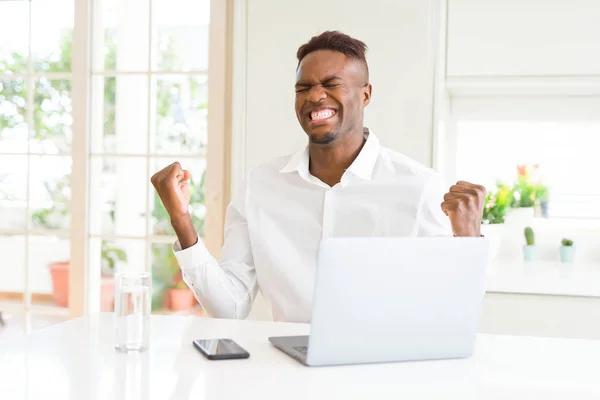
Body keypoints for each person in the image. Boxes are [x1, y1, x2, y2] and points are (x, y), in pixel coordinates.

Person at [151, 31, 485, 323]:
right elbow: (230, 308)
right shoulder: (260, 185)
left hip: (382, 375)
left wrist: (468, 240)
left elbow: (451, 309)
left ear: (366, 94)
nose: (314, 96)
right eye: (304, 87)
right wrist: (181, 218)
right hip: (284, 371)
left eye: (331, 84)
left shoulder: (418, 186)